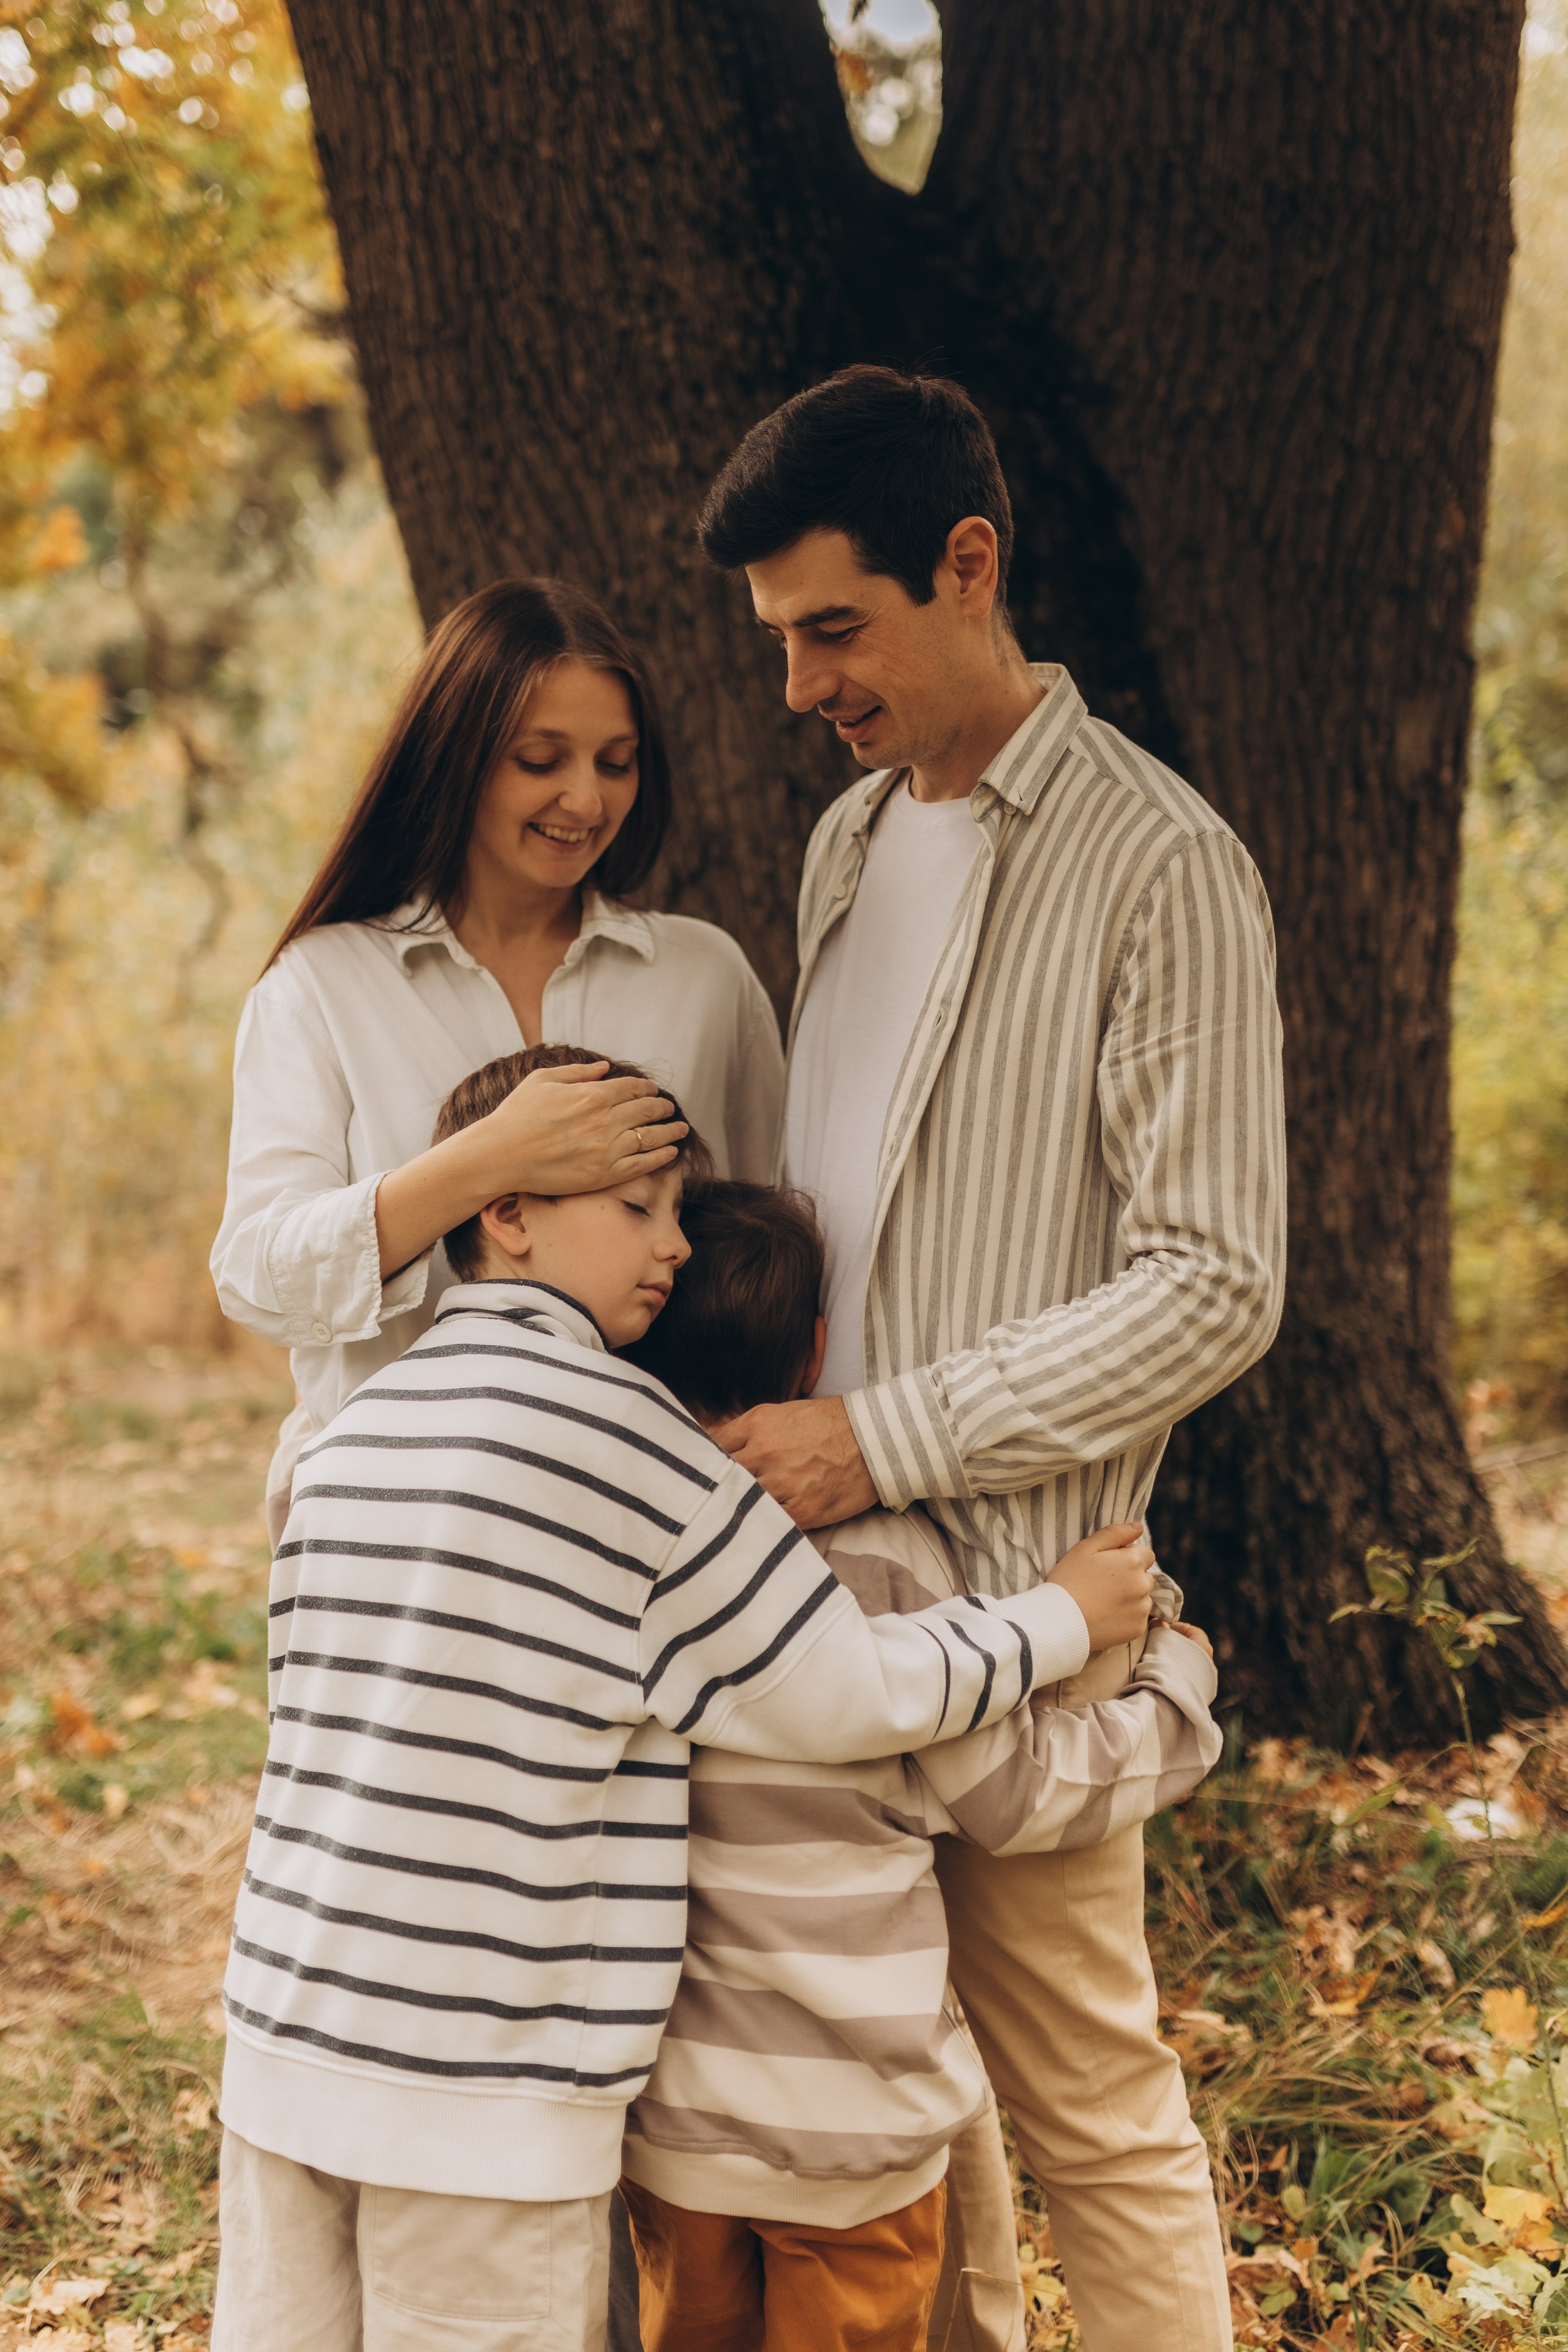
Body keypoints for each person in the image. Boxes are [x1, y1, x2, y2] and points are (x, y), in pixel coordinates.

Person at [211, 1048, 1153, 2352]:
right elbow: (849, 1692)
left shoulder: (346, 1434)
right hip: (483, 2088)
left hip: (281, 2041)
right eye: (635, 1206)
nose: (671, 1250)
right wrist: (1059, 1619)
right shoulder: (634, 1447)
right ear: (508, 1211)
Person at [697, 366, 1288, 2350]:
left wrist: (890, 1437)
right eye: (781, 642)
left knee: (1091, 2113)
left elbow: (1219, 1280)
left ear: (970, 566)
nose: (801, 689)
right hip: (825, 1621)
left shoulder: (1161, 864)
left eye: (833, 632)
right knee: (898, 2132)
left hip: (1033, 1605)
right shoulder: (846, 849)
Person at [619, 1182, 1222, 2352]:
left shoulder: (619, 1541)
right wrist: (1177, 1691)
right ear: (817, 1353)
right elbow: (1022, 1793)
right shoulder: (886, 1566)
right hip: (854, 2135)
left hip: (675, 2127)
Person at [209, 576, 784, 1548]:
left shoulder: (704, 977)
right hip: (398, 1537)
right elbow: (259, 1279)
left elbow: (759, 1254)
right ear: (458, 758)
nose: (586, 799)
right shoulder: (322, 985)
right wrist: (489, 1161)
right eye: (540, 760)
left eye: (617, 762)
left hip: (648, 1529)